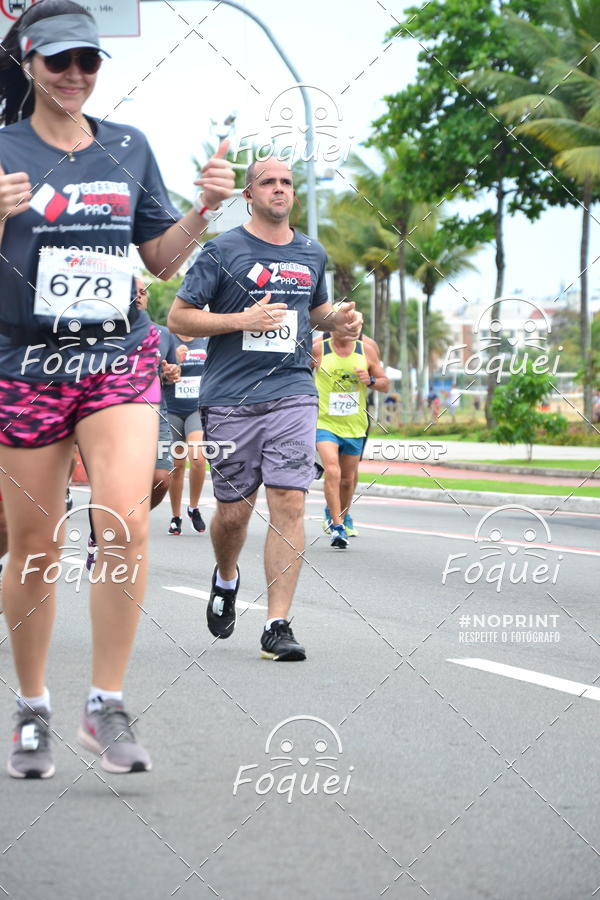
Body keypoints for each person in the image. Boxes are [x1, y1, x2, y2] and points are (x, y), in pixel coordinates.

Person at [0, 0, 234, 779]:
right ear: (28, 62)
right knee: (36, 545)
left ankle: (106, 703)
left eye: (88, 62)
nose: (75, 75)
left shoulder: (129, 148)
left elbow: (162, 263)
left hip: (117, 357)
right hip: (27, 364)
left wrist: (202, 211)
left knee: (125, 522)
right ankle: (32, 708)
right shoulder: (1, 149)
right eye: (60, 61)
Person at [168, 157, 362, 661]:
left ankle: (278, 624)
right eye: (269, 182)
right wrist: (243, 319)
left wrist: (338, 321)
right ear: (249, 195)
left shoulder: (310, 252)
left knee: (290, 502)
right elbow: (180, 318)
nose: (280, 189)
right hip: (230, 399)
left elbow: (312, 313)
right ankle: (226, 577)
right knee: (233, 515)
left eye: (287, 183)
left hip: (294, 391)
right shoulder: (221, 251)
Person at [313, 331, 388, 547]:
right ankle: (337, 526)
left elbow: (384, 383)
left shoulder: (367, 349)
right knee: (332, 470)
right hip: (325, 423)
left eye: (355, 324)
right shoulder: (318, 347)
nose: (350, 328)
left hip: (355, 424)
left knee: (348, 479)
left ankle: (342, 516)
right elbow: (296, 374)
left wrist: (371, 380)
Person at [163, 332, 209, 536]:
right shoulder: (167, 338)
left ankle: (193, 507)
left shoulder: (205, 339)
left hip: (195, 409)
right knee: (177, 465)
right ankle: (176, 516)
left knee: (198, 458)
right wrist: (172, 365)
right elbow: (156, 371)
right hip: (172, 409)